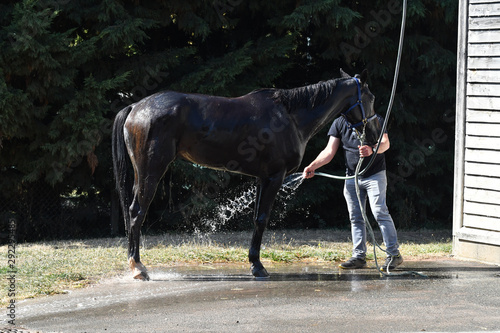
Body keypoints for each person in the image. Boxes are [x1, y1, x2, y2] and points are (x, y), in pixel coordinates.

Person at [303, 115, 403, 271]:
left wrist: (371, 149)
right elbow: (329, 151)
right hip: (352, 177)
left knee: (379, 212)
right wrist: (312, 166)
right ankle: (359, 257)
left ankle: (394, 255)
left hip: (375, 175)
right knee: (356, 217)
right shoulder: (339, 123)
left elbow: (385, 144)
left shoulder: (375, 120)